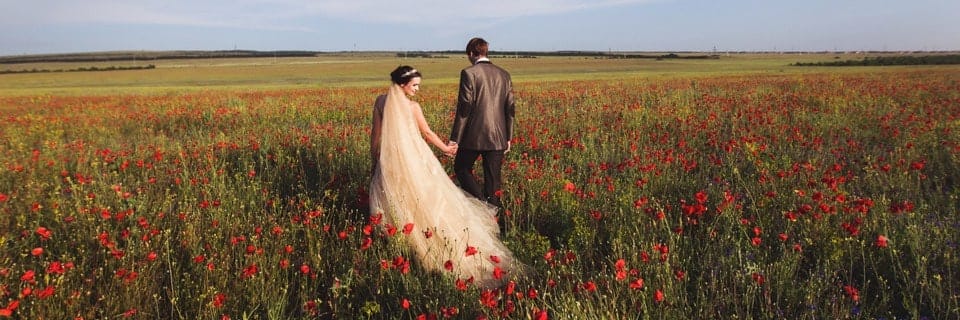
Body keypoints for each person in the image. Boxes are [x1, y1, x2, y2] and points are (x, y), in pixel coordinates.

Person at [369, 65, 520, 289]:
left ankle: (403, 244)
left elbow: (376, 134)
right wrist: (446, 149)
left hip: (391, 161)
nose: (417, 89)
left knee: (396, 198)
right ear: (403, 84)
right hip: (416, 159)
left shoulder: (381, 102)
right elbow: (427, 133)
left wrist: (375, 159)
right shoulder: (412, 107)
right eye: (414, 85)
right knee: (428, 199)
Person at [449, 37, 516, 212]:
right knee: (493, 181)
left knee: (462, 168)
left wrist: (455, 138)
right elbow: (510, 108)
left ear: (471, 53)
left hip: (473, 136)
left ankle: (481, 206)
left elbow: (465, 108)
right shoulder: (504, 74)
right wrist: (508, 137)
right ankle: (495, 222)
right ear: (485, 52)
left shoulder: (469, 73)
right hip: (499, 137)